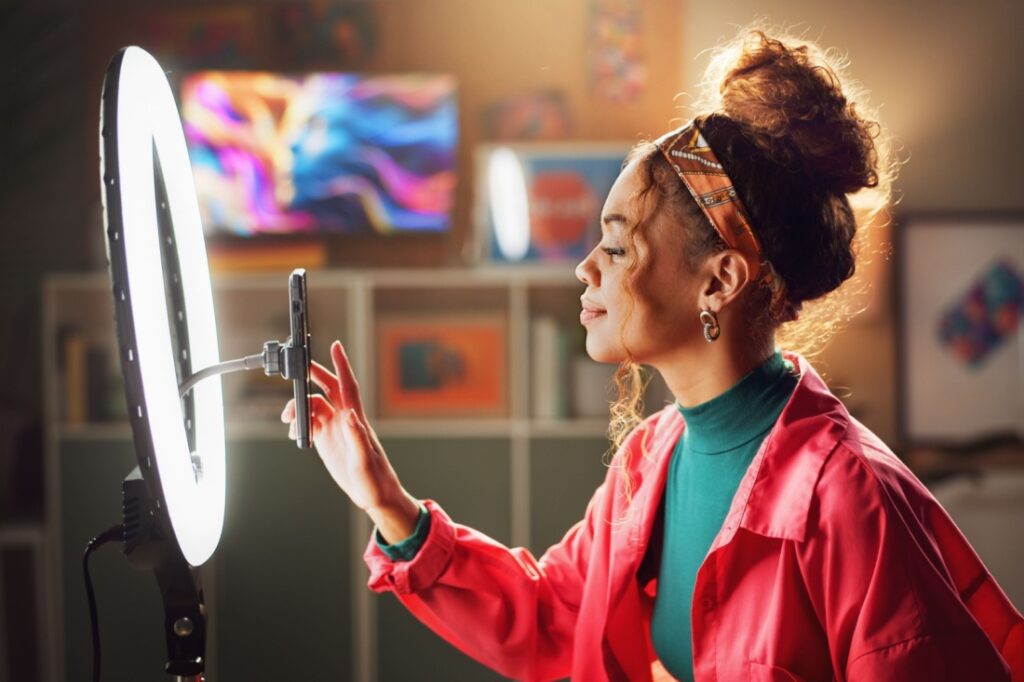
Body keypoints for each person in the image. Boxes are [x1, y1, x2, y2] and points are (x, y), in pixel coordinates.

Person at [281, 26, 1024, 681]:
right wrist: (390, 505)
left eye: (614, 243)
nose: (585, 268)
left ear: (720, 280)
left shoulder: (848, 499)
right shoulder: (651, 459)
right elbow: (551, 620)